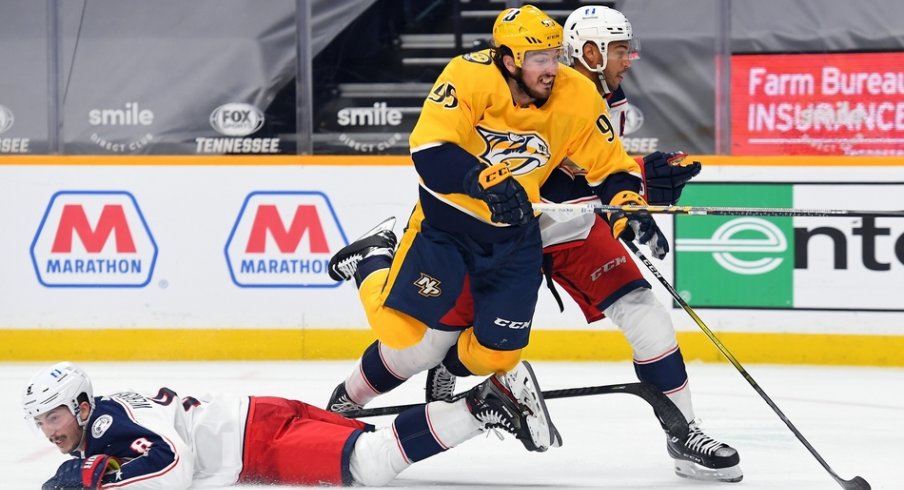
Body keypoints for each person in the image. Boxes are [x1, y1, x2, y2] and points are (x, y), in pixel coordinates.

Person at [325, 3, 668, 453]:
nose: (552, 69)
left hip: (513, 239)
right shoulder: (468, 77)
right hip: (447, 228)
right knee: (402, 334)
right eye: (539, 59)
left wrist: (628, 204)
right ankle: (372, 257)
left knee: (499, 352)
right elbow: (429, 148)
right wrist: (481, 180)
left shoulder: (578, 95)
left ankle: (450, 367)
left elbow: (611, 167)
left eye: (555, 56)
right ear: (508, 60)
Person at [424, 5, 741, 483]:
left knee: (644, 312)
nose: (628, 58)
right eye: (618, 49)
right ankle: (439, 349)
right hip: (505, 230)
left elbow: (597, 176)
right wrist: (639, 186)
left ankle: (684, 433)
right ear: (589, 52)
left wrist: (636, 193)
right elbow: (544, 186)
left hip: (571, 233)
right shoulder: (543, 94)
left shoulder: (609, 99)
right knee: (449, 335)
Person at [25, 360, 553, 489]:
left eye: (54, 415)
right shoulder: (106, 419)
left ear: (80, 405)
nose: (50, 430)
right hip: (258, 415)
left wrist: (103, 479)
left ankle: (487, 404)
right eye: (41, 422)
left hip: (256, 438)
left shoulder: (105, 424)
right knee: (369, 446)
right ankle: (483, 406)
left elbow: (172, 467)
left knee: (369, 466)